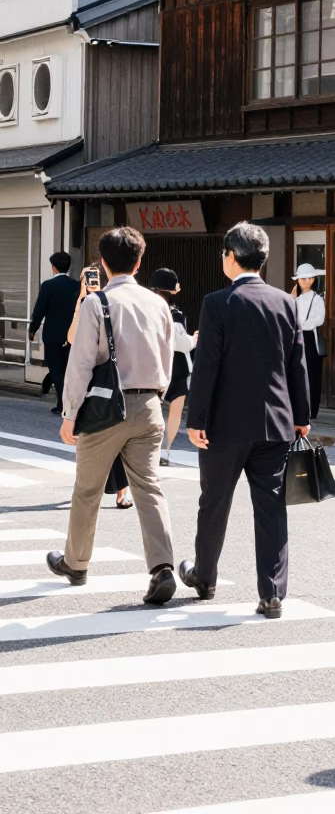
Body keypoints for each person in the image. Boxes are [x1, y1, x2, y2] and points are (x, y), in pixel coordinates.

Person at [179, 222, 310, 619]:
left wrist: (196, 418)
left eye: (223, 254)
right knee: (271, 506)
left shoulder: (217, 303)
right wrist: (301, 416)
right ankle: (271, 594)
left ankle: (205, 577)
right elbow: (296, 364)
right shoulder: (285, 303)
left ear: (231, 257)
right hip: (275, 421)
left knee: (214, 502)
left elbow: (207, 367)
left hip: (224, 424)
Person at [47, 227, 177, 605]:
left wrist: (70, 413)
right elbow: (167, 357)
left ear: (103, 263)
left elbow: (81, 362)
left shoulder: (96, 303)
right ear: (139, 262)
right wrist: (156, 395)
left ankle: (77, 563)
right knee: (149, 487)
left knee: (87, 489)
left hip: (105, 408)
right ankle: (162, 568)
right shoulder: (158, 304)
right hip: (149, 404)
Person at [65, 265, 133, 510]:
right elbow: (72, 338)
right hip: (88, 381)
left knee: (113, 437)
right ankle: (87, 489)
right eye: (86, 277)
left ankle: (122, 491)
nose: (91, 280)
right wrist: (82, 299)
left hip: (110, 378)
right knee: (88, 438)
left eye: (93, 276)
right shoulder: (87, 303)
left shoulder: (113, 302)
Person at [149, 268, 198, 466]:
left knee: (153, 410)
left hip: (151, 365)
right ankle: (165, 451)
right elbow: (181, 344)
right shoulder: (174, 314)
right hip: (176, 366)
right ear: (174, 289)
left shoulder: (145, 308)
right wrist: (195, 339)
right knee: (175, 411)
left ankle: (151, 449)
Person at [28, 251, 80, 416]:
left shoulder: (48, 286)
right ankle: (59, 393)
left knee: (56, 368)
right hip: (72, 335)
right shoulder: (77, 285)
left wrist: (32, 329)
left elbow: (40, 310)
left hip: (52, 335)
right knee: (67, 368)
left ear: (54, 267)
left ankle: (62, 403)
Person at [291, 263, 325, 421]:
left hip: (310, 338)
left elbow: (319, 320)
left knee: (312, 374)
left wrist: (301, 325)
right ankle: (298, 409)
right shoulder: (294, 299)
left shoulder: (318, 299)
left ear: (313, 280)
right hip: (296, 337)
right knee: (296, 372)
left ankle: (313, 410)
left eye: (307, 278)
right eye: (301, 279)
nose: (304, 281)